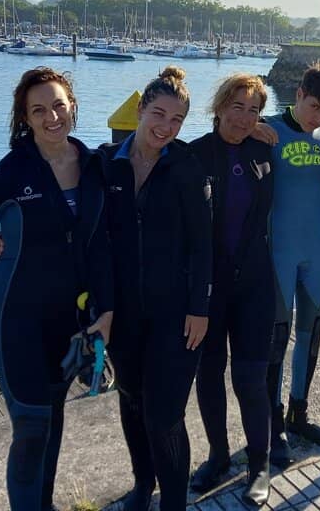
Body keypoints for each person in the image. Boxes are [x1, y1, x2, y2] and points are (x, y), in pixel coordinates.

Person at [0, 67, 113, 511]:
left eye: (58, 105)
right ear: (26, 118)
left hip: (70, 317)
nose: (51, 116)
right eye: (38, 110)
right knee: (30, 424)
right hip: (16, 314)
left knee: (54, 417)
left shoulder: (94, 165)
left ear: (73, 106)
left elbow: (99, 245)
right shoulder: (10, 173)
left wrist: (106, 309)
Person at [100, 66, 213, 511]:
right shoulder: (107, 164)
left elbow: (204, 244)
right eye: (159, 115)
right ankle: (142, 486)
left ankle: (174, 504)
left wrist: (200, 307)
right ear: (141, 109)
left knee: (164, 416)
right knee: (130, 402)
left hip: (177, 315)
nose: (166, 127)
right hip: (125, 314)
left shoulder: (187, 166)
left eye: (177, 120)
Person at [188, 73, 274, 506]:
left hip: (256, 285)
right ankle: (219, 455)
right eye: (236, 106)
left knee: (250, 379)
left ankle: (260, 464)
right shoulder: (193, 156)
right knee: (208, 374)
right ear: (219, 106)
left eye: (253, 109)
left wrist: (265, 129)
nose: (244, 117)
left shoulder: (266, 151)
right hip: (208, 289)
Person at [263, 60, 320, 466]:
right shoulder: (267, 131)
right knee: (277, 337)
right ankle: (272, 421)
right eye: (314, 106)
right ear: (298, 94)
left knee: (310, 334)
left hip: (318, 249)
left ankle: (299, 412)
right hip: (279, 251)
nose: (318, 116)